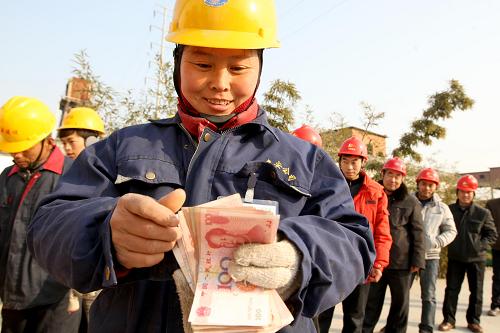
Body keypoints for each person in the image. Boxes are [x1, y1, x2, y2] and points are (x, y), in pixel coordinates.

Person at [27, 1, 376, 332]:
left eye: (238, 67)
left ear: (260, 68)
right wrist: (105, 232)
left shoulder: (306, 160)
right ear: (177, 63)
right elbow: (49, 224)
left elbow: (354, 242)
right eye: (203, 64)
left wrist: (298, 258)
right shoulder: (123, 147)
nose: (220, 83)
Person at [0, 96, 80, 332]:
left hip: (56, 302)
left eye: (23, 148)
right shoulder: (7, 177)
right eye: (12, 149)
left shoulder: (74, 176)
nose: (17, 155)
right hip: (12, 299)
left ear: (47, 140)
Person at [315, 137, 392, 333]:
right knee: (321, 315)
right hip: (330, 261)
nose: (349, 166)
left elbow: (382, 231)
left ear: (363, 162)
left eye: (354, 161)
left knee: (355, 318)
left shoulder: (376, 192)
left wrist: (379, 263)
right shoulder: (326, 186)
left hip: (360, 262)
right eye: (345, 161)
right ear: (339, 161)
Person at [362, 157, 425, 333]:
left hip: (402, 263)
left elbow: (419, 233)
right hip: (376, 262)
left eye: (398, 176)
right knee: (371, 304)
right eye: (390, 174)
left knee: (400, 305)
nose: (393, 180)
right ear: (383, 174)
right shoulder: (372, 194)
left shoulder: (411, 202)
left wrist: (417, 261)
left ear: (403, 178)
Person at [57, 106, 105, 330]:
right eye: (64, 143)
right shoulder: (68, 177)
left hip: (99, 281)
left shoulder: (109, 177)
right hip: (71, 280)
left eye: (71, 142)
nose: (66, 148)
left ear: (92, 139)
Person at [438, 175, 497, 333]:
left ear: (473, 194)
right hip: (455, 257)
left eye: (469, 192)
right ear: (457, 192)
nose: (465, 195)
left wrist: (479, 246)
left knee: (476, 292)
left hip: (476, 260)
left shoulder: (482, 213)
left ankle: (474, 321)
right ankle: (448, 320)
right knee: (451, 290)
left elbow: (492, 234)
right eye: (462, 191)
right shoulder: (449, 210)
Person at [413, 168, 457, 333]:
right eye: (424, 184)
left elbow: (451, 231)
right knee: (401, 295)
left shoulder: (442, 208)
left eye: (431, 185)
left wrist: (436, 242)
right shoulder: (409, 201)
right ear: (418, 184)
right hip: (409, 255)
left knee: (429, 296)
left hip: (431, 257)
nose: (427, 188)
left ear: (435, 187)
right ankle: (394, 324)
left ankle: (426, 328)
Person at [486, 197, 500, 316]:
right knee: (498, 277)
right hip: (498, 246)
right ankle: (496, 305)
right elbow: (487, 225)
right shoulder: (492, 204)